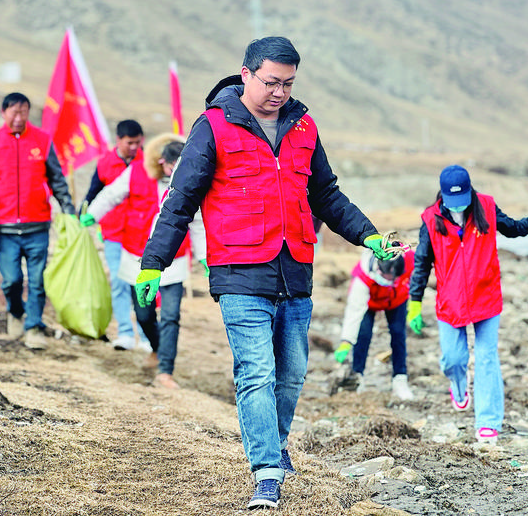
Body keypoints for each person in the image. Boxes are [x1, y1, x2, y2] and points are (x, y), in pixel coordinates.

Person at [137, 37, 400, 511]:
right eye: (271, 82)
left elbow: (327, 195)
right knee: (256, 372)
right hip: (239, 270)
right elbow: (180, 201)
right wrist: (154, 263)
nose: (279, 92)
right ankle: (266, 472)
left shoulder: (303, 126)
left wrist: (368, 236)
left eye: (289, 83)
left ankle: (276, 445)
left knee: (292, 373)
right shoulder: (213, 126)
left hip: (294, 267)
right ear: (246, 74)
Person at [409, 164, 528, 446]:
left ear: (470, 191)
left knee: (487, 358)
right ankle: (458, 385)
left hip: (485, 297)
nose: (458, 205)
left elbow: (512, 228)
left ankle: (488, 423)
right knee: (453, 360)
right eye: (452, 200)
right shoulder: (430, 219)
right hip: (450, 302)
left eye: (462, 199)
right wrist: (414, 303)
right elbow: (422, 263)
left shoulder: (486, 207)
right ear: (442, 195)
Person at [81, 133, 206, 389]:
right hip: (135, 256)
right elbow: (111, 194)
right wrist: (92, 214)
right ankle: (157, 348)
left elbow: (197, 223)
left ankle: (165, 371)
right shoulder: (137, 172)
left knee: (171, 316)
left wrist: (205, 257)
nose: (176, 172)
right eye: (172, 167)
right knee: (144, 314)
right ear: (162, 162)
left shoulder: (190, 183)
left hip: (174, 260)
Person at [0, 93, 75, 350]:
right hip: (4, 227)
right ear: (3, 113)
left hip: (37, 225)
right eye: (14, 113)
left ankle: (34, 327)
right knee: (12, 280)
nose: (19, 118)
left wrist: (68, 210)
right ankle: (15, 312)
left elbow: (57, 180)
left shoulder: (42, 140)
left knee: (38, 281)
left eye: (24, 112)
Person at [82, 119, 149, 351]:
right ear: (118, 140)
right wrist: (85, 213)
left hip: (141, 235)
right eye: (130, 143)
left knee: (142, 284)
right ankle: (125, 334)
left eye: (138, 143)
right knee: (119, 284)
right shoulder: (105, 163)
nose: (134, 147)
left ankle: (146, 335)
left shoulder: (148, 163)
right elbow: (93, 193)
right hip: (113, 234)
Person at [333, 249, 414, 400]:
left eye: (393, 279)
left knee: (398, 333)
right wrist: (346, 341)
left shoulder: (409, 259)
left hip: (397, 299)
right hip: (369, 303)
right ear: (378, 269)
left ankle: (400, 379)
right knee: (363, 334)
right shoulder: (362, 278)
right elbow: (354, 312)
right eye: (386, 278)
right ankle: (357, 377)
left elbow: (427, 262)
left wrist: (416, 304)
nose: (388, 282)